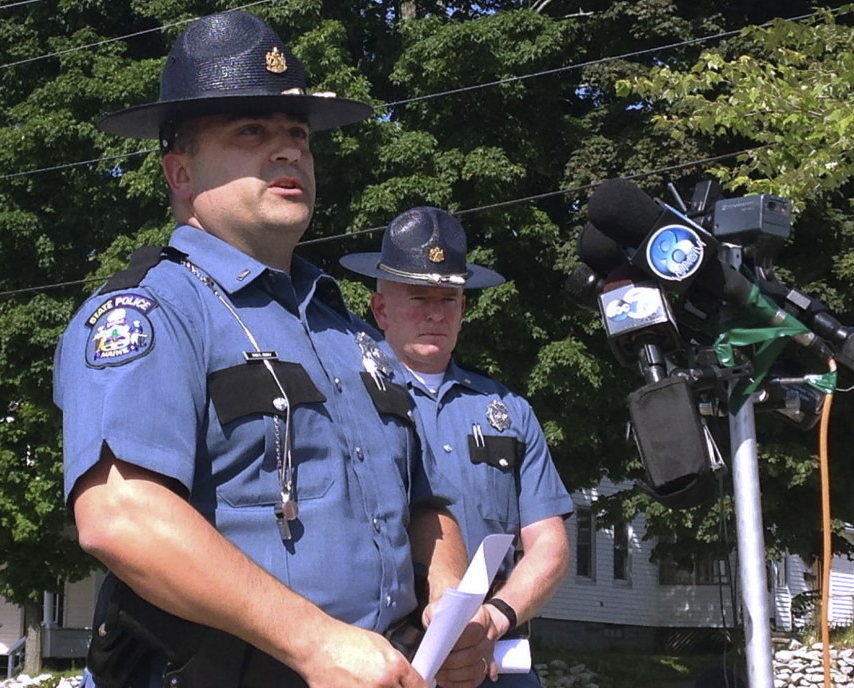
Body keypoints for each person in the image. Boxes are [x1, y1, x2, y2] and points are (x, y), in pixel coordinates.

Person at [53, 14, 482, 688]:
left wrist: (453, 613)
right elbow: (120, 516)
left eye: (298, 137)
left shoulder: (352, 331)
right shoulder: (152, 311)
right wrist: (313, 643)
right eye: (251, 131)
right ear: (179, 171)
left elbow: (428, 505)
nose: (288, 153)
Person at [341, 206, 574, 688]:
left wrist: (495, 617)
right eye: (418, 296)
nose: (433, 312)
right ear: (380, 308)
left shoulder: (507, 410)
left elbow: (549, 544)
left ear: (464, 308)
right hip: (380, 660)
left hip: (486, 663)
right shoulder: (345, 399)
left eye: (447, 298)